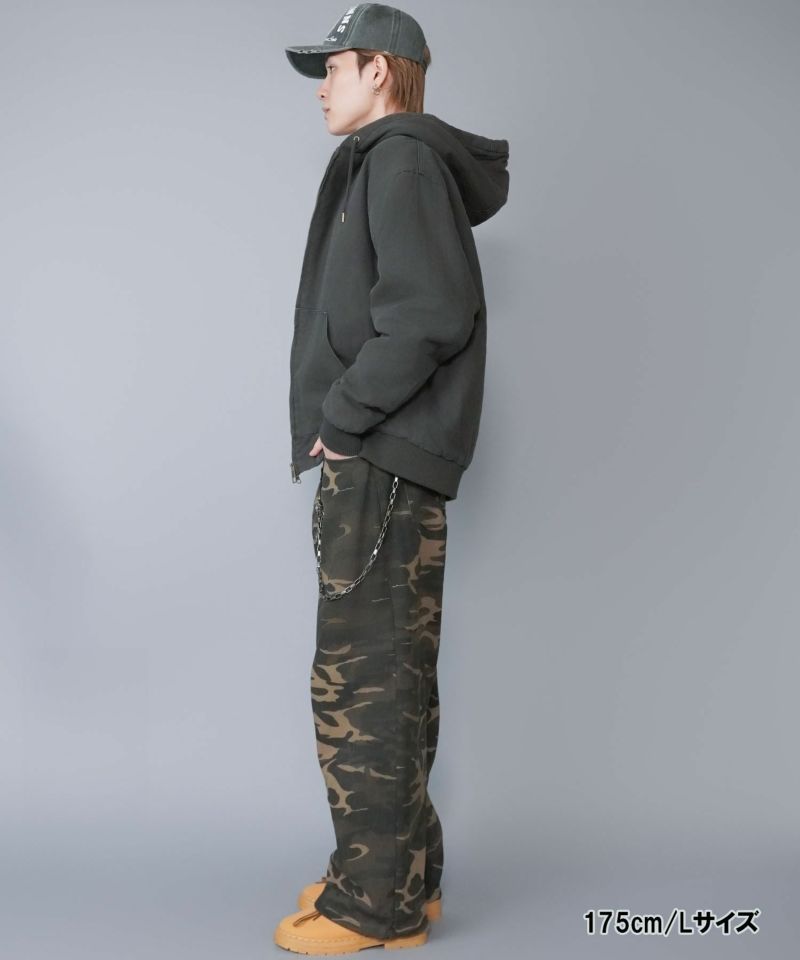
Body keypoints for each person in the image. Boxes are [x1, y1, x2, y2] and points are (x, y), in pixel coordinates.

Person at [274, 3, 510, 953]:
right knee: (393, 675)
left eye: (334, 68)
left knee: (362, 682)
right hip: (386, 460)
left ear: (380, 71)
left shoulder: (400, 160)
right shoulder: (388, 162)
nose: (322, 88)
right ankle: (406, 878)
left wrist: (342, 420)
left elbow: (430, 314)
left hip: (378, 456)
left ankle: (374, 906)